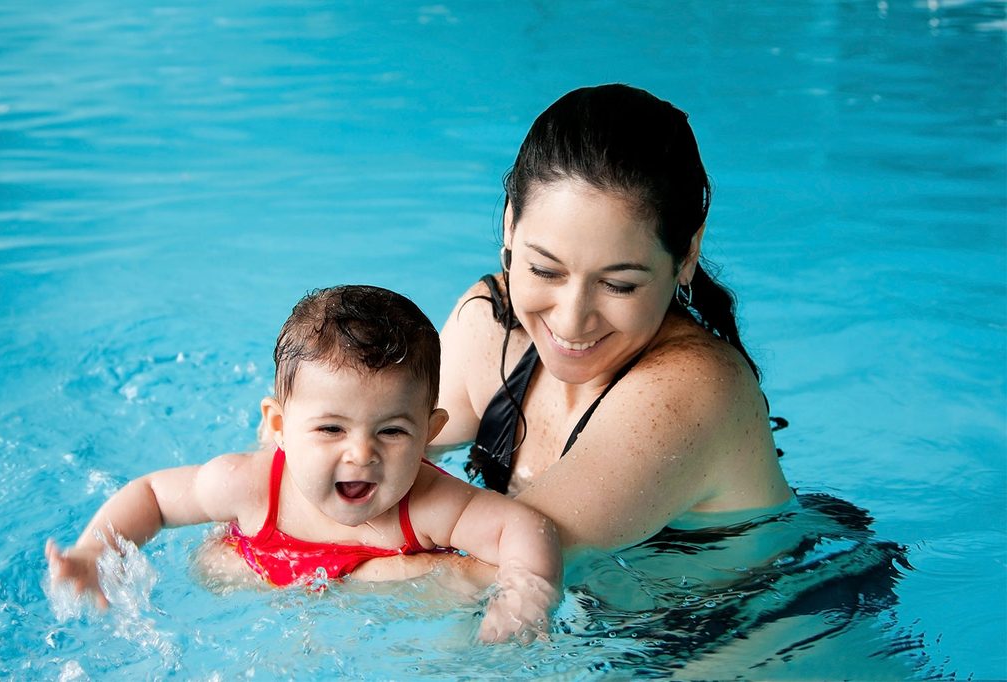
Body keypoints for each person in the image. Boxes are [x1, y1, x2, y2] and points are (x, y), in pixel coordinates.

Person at [45, 285, 561, 643]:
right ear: (278, 428)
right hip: (263, 571)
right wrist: (96, 550)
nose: (362, 454)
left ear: (431, 432)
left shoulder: (428, 504)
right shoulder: (251, 486)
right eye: (331, 429)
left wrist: (522, 599)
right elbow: (155, 496)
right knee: (213, 568)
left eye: (392, 431)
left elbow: (525, 525)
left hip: (340, 606)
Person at [433, 83, 792, 551]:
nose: (571, 319)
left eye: (618, 284)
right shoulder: (492, 325)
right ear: (509, 225)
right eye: (544, 269)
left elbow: (503, 570)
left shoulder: (692, 392)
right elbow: (352, 461)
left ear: (686, 255)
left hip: (760, 620)